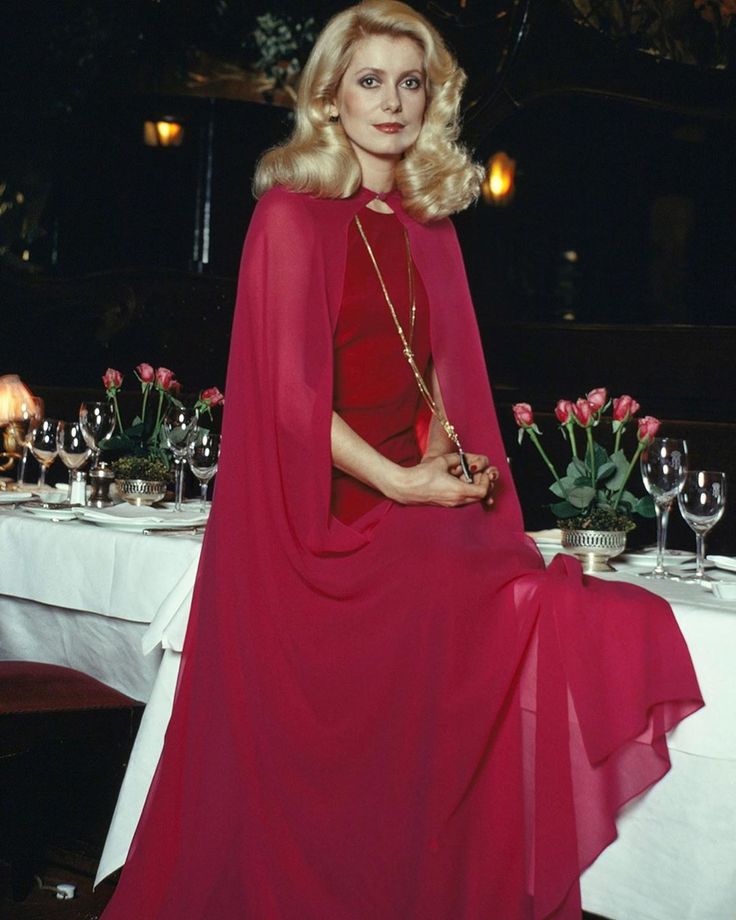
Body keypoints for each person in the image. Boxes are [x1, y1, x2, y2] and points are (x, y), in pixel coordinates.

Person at [101, 3, 702, 918]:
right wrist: (402, 486)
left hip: (405, 496)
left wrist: (448, 468)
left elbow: (439, 384)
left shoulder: (427, 223)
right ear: (331, 98)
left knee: (551, 602)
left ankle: (429, 872)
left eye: (409, 82)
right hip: (319, 515)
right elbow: (290, 401)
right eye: (369, 80)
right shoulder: (291, 216)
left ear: (433, 99)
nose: (391, 102)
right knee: (465, 600)